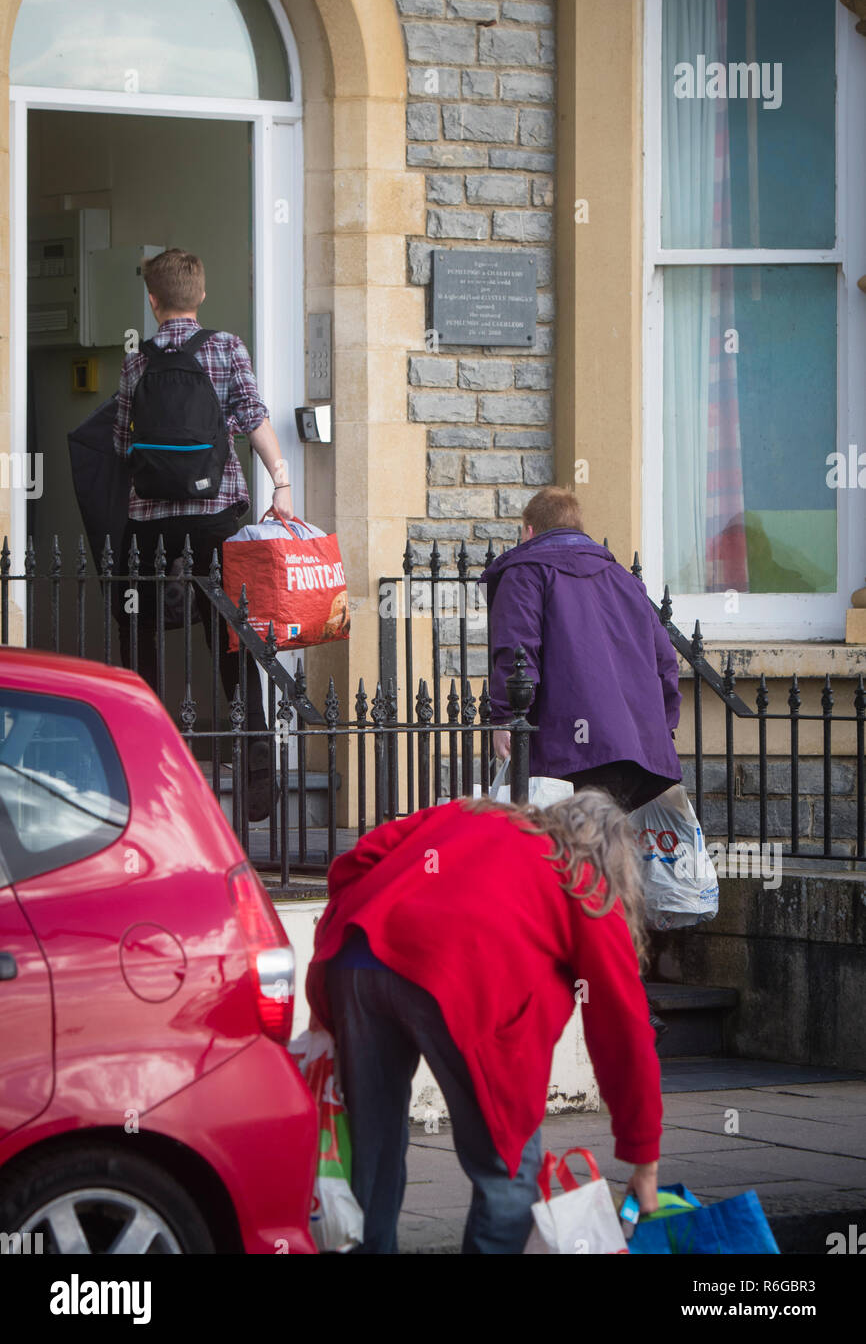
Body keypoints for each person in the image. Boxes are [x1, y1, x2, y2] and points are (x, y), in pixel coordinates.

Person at [306, 788, 662, 1255]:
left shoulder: (467, 815)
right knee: (507, 1171)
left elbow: (354, 863)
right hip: (459, 981)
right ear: (611, 856)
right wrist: (643, 1159)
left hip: (358, 957)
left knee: (370, 1152)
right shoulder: (583, 876)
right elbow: (623, 1024)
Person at [113, 249, 293, 819]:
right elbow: (253, 415)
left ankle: (143, 754)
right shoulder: (225, 347)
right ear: (202, 294)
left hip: (152, 520)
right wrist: (281, 483)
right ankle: (255, 752)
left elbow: (121, 444)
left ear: (152, 299)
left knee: (139, 628)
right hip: (215, 514)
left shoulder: (137, 362)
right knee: (230, 635)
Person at [480, 486, 682, 812]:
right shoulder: (624, 579)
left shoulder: (524, 573)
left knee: (560, 850)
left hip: (565, 750)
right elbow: (665, 662)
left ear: (529, 531)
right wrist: (662, 726)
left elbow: (518, 654)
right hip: (633, 754)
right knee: (598, 847)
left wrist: (506, 718)